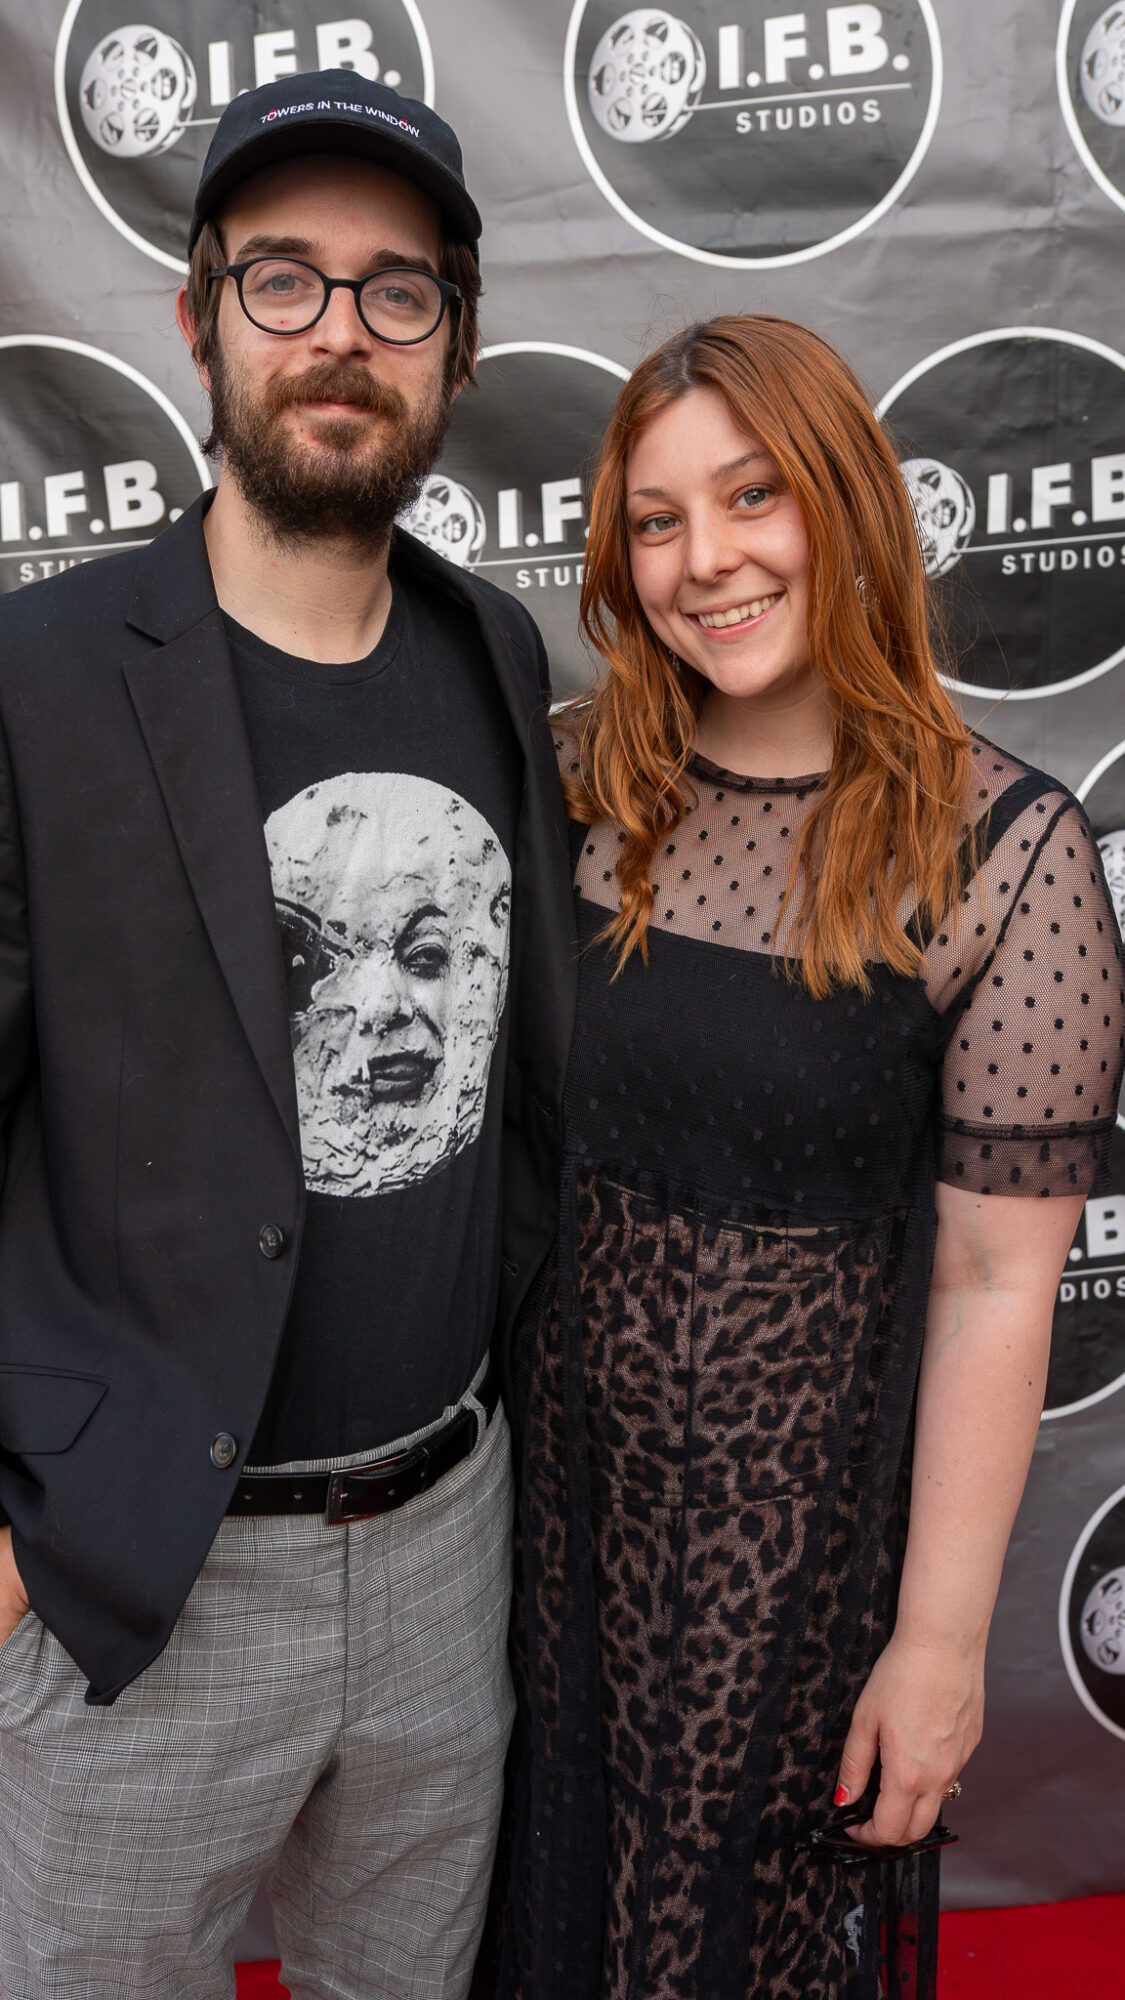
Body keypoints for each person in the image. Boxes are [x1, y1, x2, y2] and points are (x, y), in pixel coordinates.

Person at [0, 67, 574, 2000]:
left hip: (445, 1541)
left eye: (396, 289)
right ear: (197, 314)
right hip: (139, 1574)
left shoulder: (496, 650)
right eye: (286, 280)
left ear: (457, 350)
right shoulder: (42, 676)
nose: (342, 331)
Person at [477, 315, 1125, 2000]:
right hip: (531, 1566)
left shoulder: (1000, 853)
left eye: (751, 495)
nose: (708, 561)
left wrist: (934, 1648)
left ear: (840, 500)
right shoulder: (567, 784)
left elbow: (995, 1284)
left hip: (795, 1607)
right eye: (657, 518)